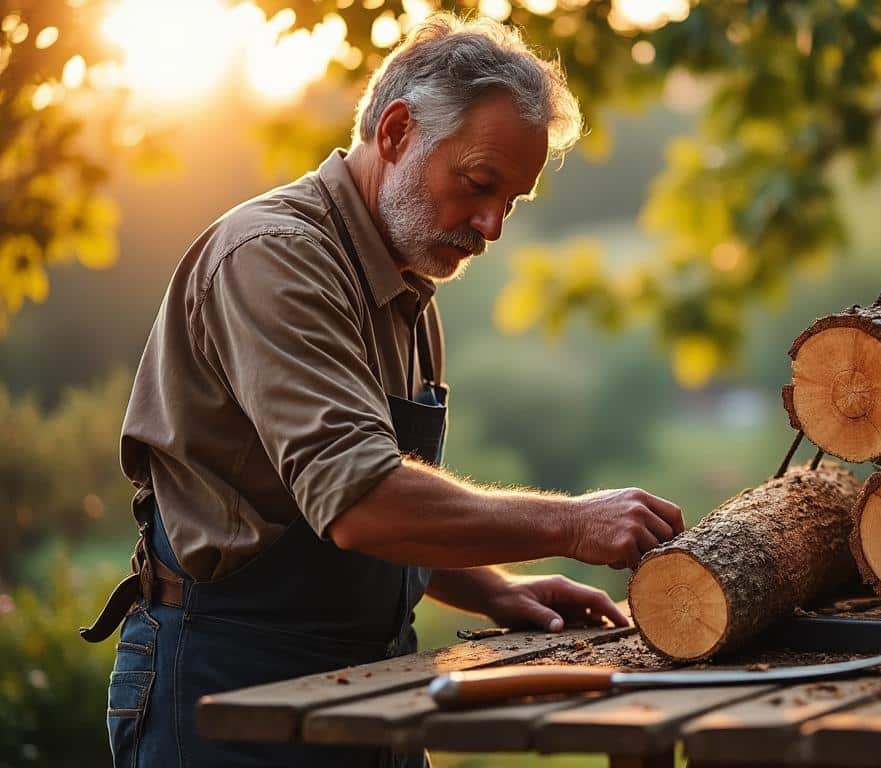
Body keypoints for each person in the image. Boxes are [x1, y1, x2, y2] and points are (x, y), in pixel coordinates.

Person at [81, 13, 684, 767]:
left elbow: (373, 511)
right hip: (227, 685)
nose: (492, 225)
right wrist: (571, 523)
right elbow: (362, 503)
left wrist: (492, 588)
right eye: (479, 183)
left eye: (514, 201)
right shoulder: (274, 259)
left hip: (369, 683)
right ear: (397, 132)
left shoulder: (406, 287)